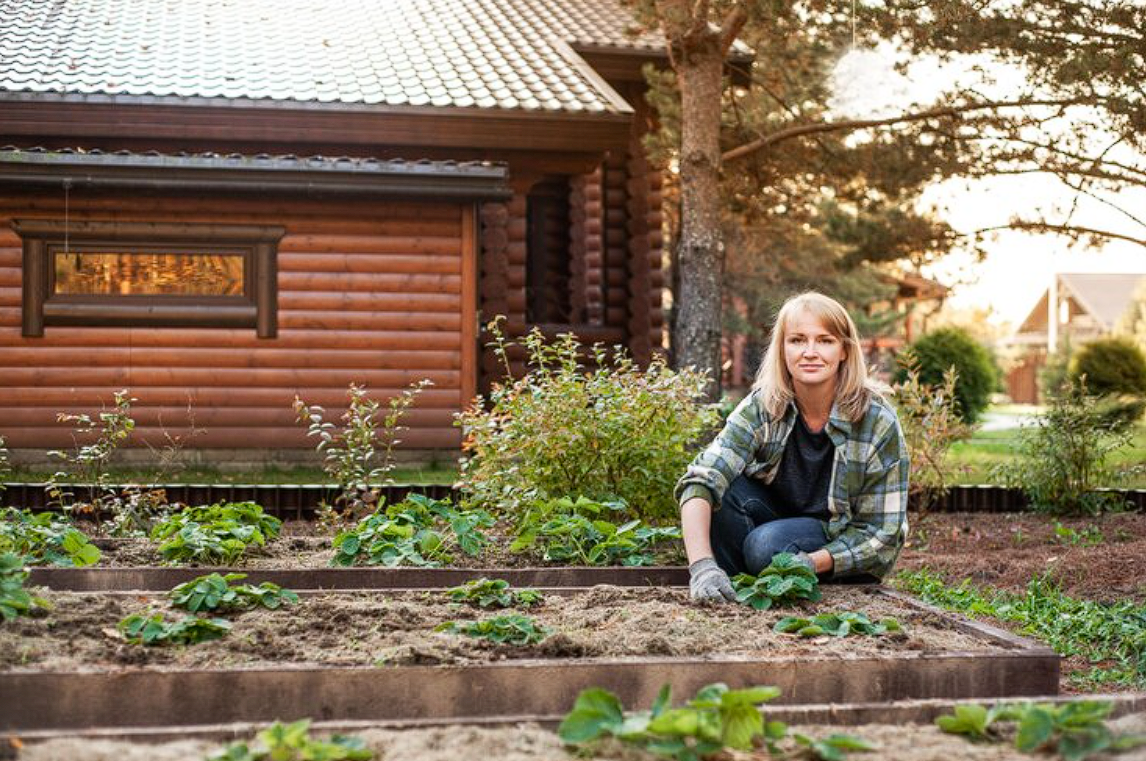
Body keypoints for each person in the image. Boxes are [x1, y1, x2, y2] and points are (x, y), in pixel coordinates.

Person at [676, 291, 909, 603]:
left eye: (825, 340)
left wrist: (811, 562)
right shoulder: (763, 406)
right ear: (782, 349)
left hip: (842, 543)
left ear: (843, 351)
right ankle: (732, 596)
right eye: (797, 340)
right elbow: (701, 479)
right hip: (780, 525)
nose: (810, 352)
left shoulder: (876, 420)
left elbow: (882, 532)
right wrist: (702, 567)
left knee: (765, 547)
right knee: (725, 491)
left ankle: (788, 586)